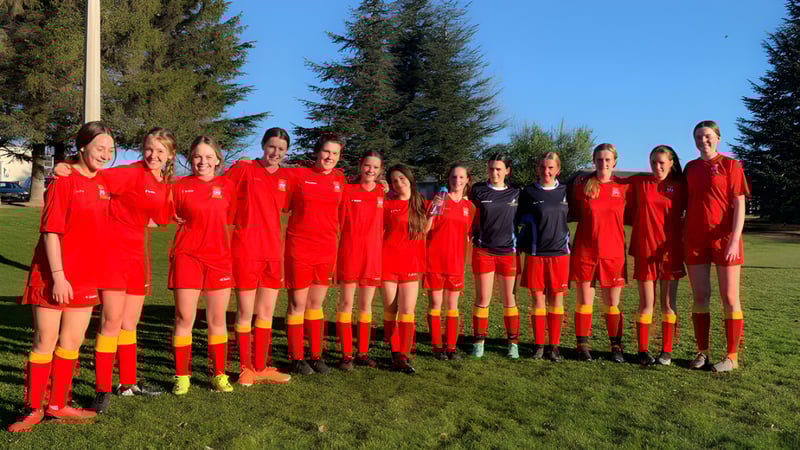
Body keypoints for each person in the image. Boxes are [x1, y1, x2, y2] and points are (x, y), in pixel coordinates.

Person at [10, 121, 114, 432]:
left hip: (86, 276)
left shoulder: (106, 183)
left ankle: (57, 404)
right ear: (82, 147)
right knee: (45, 340)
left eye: (110, 150)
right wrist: (58, 277)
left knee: (71, 342)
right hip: (53, 275)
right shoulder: (62, 181)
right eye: (99, 148)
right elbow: (51, 231)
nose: (105, 155)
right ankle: (32, 408)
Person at [169, 136, 236, 394]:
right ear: (190, 158)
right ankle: (182, 375)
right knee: (185, 317)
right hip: (187, 257)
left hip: (219, 259)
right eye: (197, 156)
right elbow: (159, 209)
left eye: (209, 157)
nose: (203, 162)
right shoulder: (178, 186)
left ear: (218, 160)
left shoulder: (228, 186)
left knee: (217, 319)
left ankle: (219, 374)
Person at [226, 128, 292, 385]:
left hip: (273, 252)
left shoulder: (288, 177)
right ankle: (245, 368)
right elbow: (218, 185)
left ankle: (261, 366)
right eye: (271, 146)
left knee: (266, 313)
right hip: (246, 250)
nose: (275, 153)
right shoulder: (245, 169)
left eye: (281, 149)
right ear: (263, 146)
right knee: (245, 313)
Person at [684, 121, 748, 372]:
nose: (704, 141)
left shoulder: (730, 165)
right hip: (695, 239)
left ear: (718, 138)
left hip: (725, 239)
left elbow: (740, 204)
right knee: (700, 297)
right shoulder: (690, 168)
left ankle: (731, 357)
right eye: (699, 137)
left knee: (730, 297)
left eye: (708, 136)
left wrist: (734, 238)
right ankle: (703, 352)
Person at [284, 134, 346, 375]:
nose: (329, 157)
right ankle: (296, 356)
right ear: (317, 152)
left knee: (316, 304)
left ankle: (316, 355)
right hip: (300, 246)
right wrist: (249, 162)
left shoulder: (340, 179)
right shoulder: (299, 175)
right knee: (298, 303)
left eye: (335, 154)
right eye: (326, 152)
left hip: (327, 248)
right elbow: (272, 176)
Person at [625, 145, 687, 366]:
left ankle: (666, 352)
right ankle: (643, 351)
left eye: (662, 162)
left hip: (671, 254)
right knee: (645, 304)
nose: (657, 167)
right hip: (644, 252)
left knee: (668, 304)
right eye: (653, 162)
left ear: (671, 163)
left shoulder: (681, 187)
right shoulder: (640, 183)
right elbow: (609, 180)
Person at [570, 143, 629, 363]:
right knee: (584, 301)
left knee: (612, 303)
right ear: (593, 161)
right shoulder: (581, 186)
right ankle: (582, 346)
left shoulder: (623, 188)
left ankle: (616, 346)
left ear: (614, 162)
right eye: (599, 159)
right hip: (586, 252)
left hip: (613, 253)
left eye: (607, 160)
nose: (603, 163)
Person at [516, 152, 570, 362]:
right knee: (538, 300)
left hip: (560, 254)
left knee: (556, 301)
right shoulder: (528, 192)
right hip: (536, 253)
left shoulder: (566, 191)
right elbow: (519, 219)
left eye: (550, 168)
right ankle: (539, 345)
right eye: (542, 167)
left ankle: (554, 346)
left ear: (558, 169)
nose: (546, 172)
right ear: (537, 169)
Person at [335, 151, 385, 371]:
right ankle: (346, 354)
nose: (370, 170)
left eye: (375, 167)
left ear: (380, 170)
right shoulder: (348, 190)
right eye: (367, 166)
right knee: (346, 304)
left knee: (366, 306)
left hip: (372, 257)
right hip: (350, 255)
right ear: (360, 165)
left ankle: (362, 352)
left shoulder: (383, 192)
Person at [469, 153, 521, 359]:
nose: (494, 173)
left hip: (508, 252)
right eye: (491, 169)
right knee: (483, 298)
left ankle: (513, 343)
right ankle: (479, 341)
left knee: (510, 299)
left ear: (507, 171)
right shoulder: (478, 191)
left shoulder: (517, 192)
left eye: (499, 169)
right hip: (483, 251)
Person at [424, 163, 475, 360]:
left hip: (455, 263)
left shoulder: (469, 207)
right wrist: (432, 211)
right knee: (436, 304)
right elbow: (426, 230)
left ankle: (451, 347)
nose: (457, 181)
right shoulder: (438, 201)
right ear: (449, 178)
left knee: (453, 305)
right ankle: (437, 347)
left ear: (467, 180)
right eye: (454, 177)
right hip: (434, 260)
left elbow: (468, 234)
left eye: (461, 177)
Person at [382, 164, 427, 373]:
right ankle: (394, 354)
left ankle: (404, 355)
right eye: (394, 181)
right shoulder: (387, 204)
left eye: (401, 178)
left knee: (407, 310)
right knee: (391, 309)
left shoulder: (422, 204)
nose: (399, 183)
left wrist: (435, 212)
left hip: (411, 264)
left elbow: (425, 231)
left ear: (409, 178)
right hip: (388, 261)